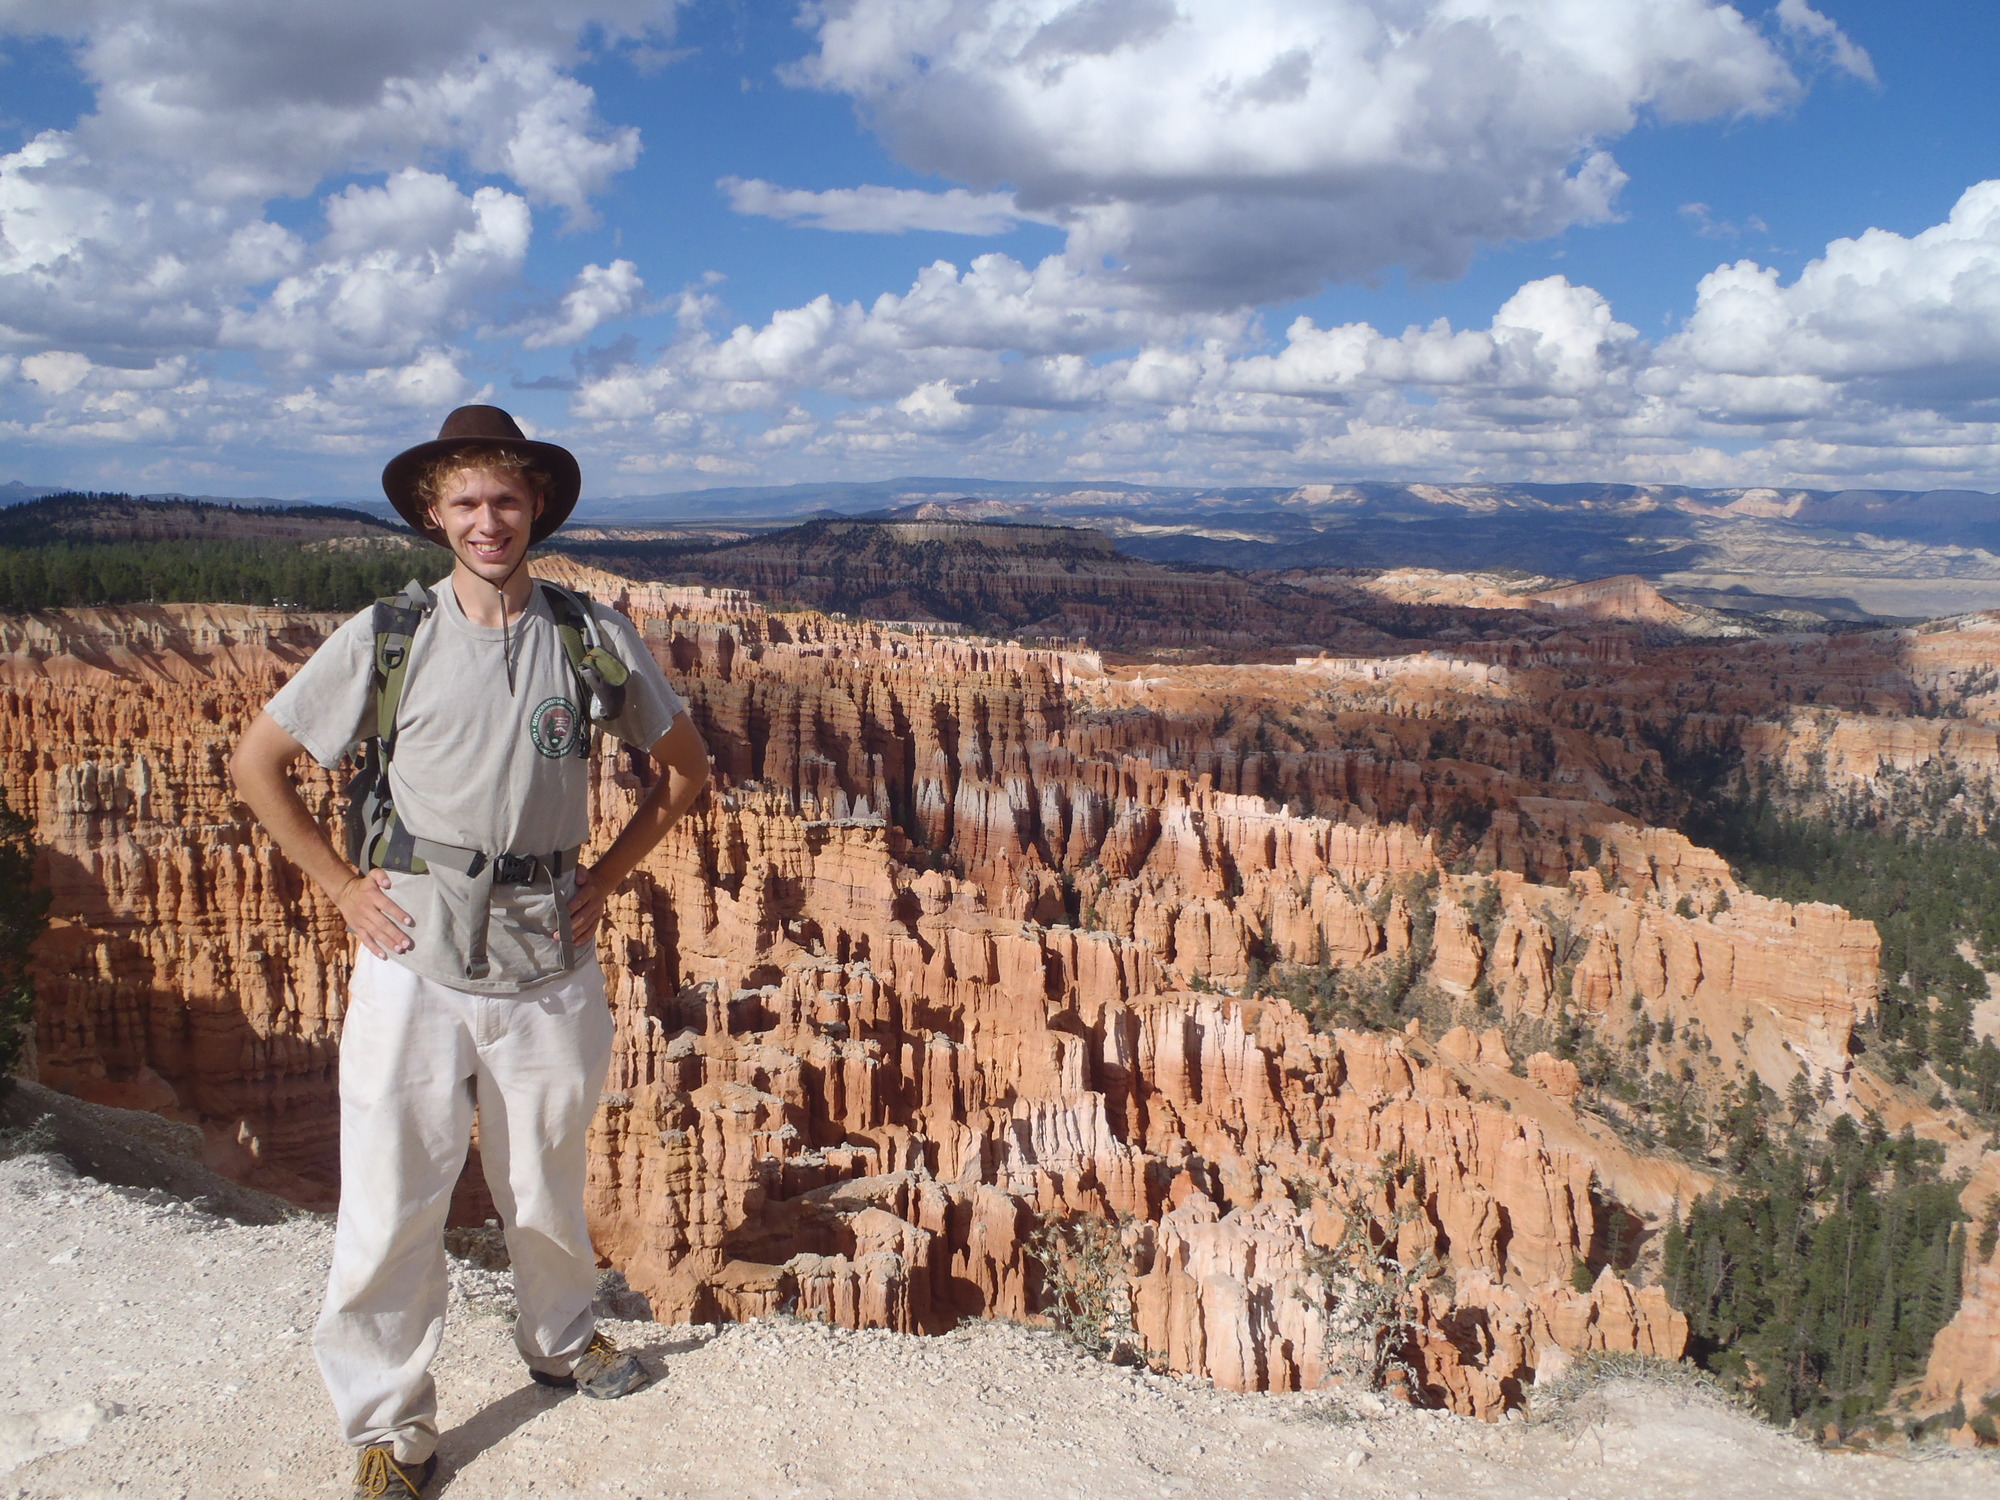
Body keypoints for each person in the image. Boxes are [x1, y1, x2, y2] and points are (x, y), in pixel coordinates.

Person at [230, 406, 711, 1499]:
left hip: (547, 946)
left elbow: (683, 771)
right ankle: (390, 1423)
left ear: (535, 505)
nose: (487, 520)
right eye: (465, 503)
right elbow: (256, 761)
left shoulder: (591, 634)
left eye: (505, 499)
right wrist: (343, 885)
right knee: (394, 1189)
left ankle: (560, 1340)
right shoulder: (388, 633)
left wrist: (610, 874)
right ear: (431, 515)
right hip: (411, 950)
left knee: (543, 1170)